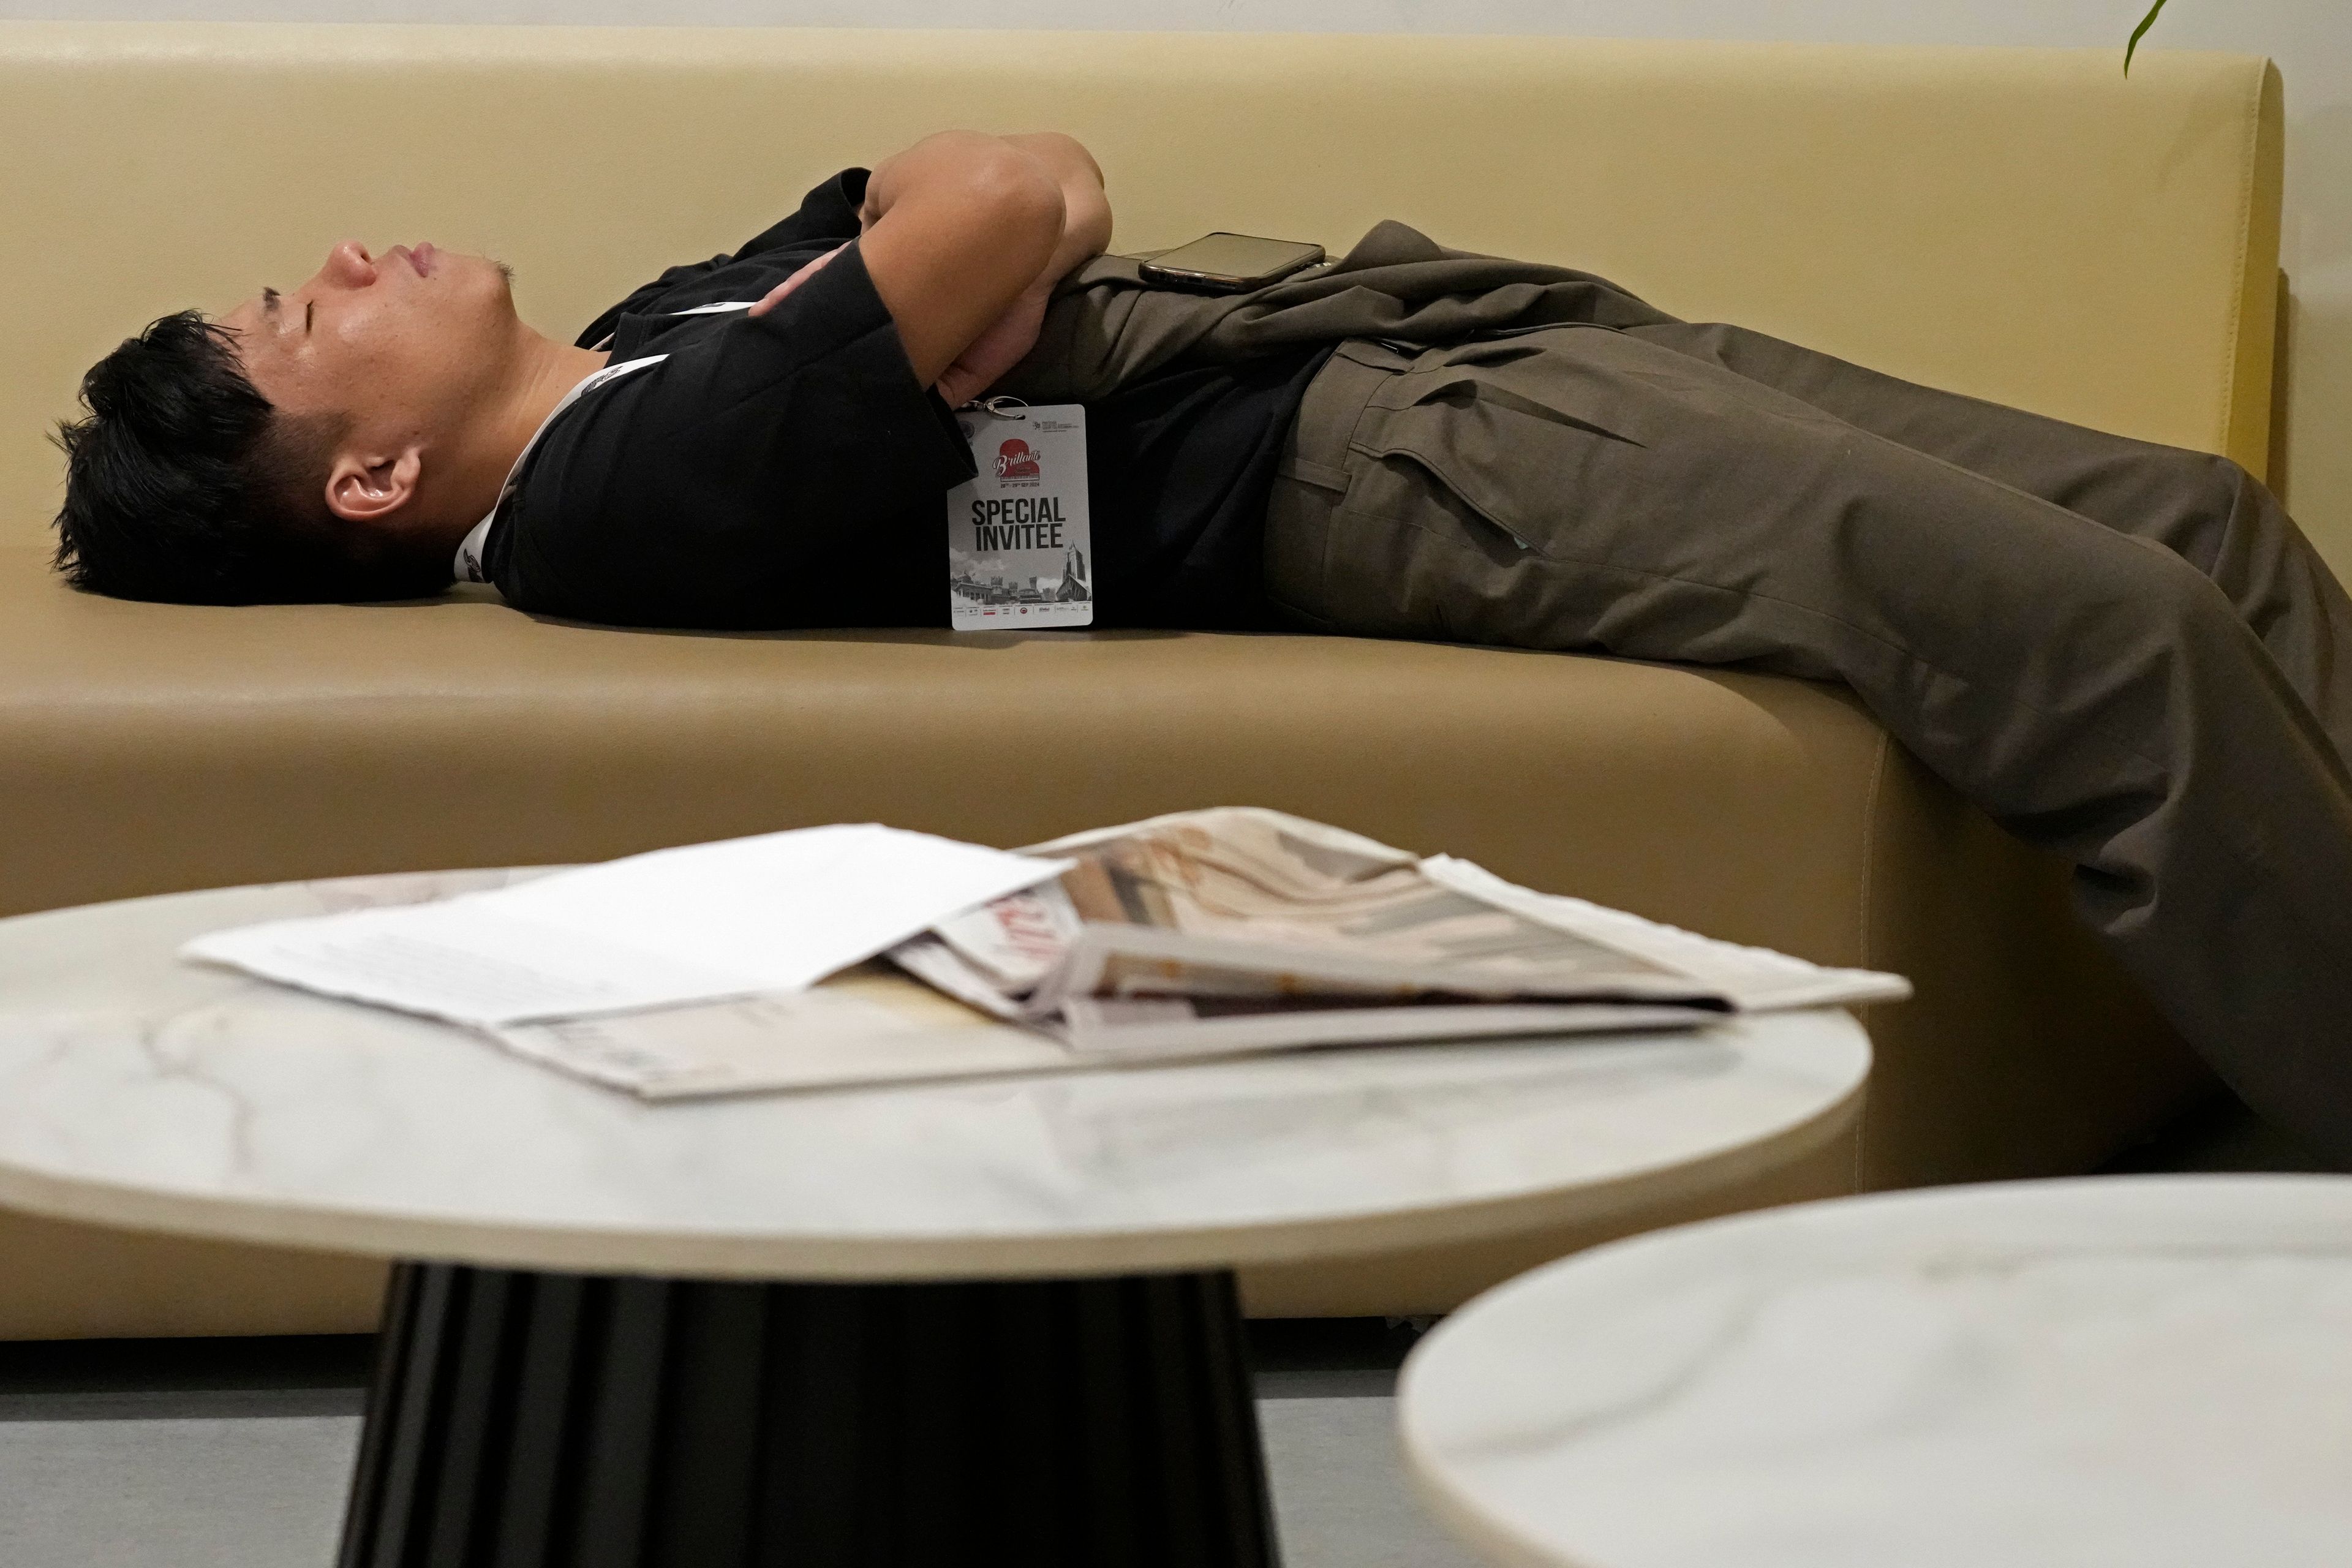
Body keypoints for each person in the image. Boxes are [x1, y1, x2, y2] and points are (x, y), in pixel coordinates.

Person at [50, 130, 2352, 1166]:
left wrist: (951, 255)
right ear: (366, 485)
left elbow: (999, 173)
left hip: (1427, 340)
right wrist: (957, 248)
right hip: (1410, 453)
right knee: (2107, 635)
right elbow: (1004, 195)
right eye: (297, 315)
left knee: (2195, 513)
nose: (343, 258)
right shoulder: (625, 494)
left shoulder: (663, 346)